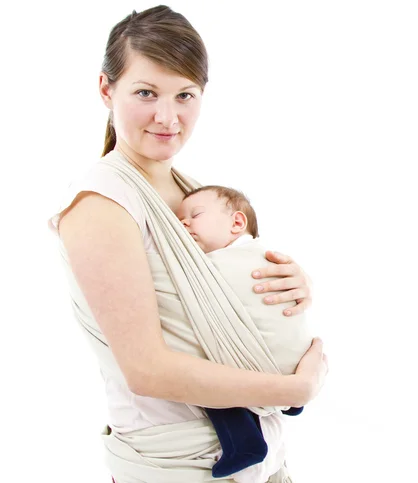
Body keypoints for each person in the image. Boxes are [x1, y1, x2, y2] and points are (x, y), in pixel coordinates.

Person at [47, 5, 328, 483]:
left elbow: (220, 306)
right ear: (104, 89)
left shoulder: (191, 193)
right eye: (145, 92)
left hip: (257, 452)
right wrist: (293, 386)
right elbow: (148, 371)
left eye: (185, 95)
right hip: (175, 465)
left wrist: (289, 285)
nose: (167, 116)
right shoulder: (102, 206)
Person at [176, 185, 313, 478]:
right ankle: (288, 405)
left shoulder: (217, 264)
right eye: (179, 220)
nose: (183, 223)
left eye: (195, 215)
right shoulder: (268, 255)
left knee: (199, 373)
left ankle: (243, 442)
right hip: (297, 362)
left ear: (237, 223)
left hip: (269, 366)